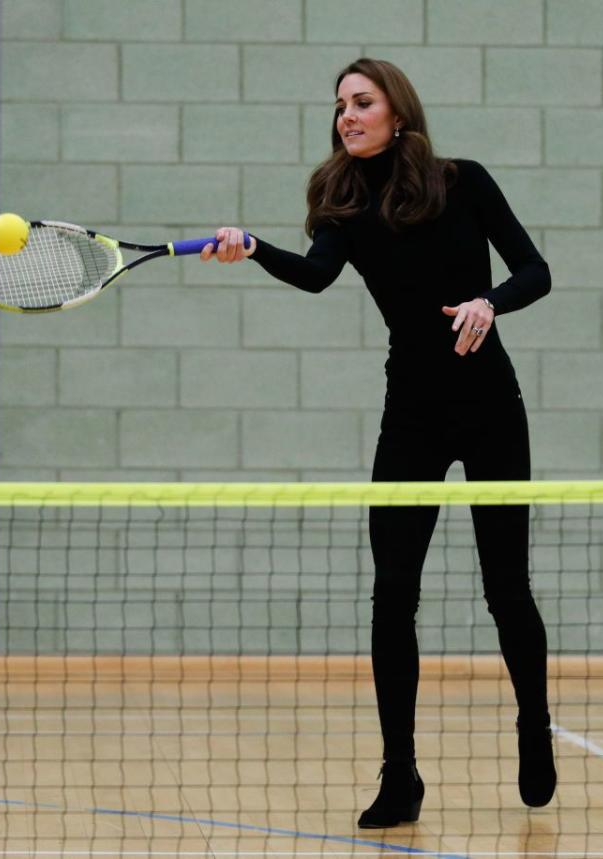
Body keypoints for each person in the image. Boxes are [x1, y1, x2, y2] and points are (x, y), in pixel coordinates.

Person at [201, 57, 556, 828]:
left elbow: (536, 271)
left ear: (399, 111)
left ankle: (534, 722)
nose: (347, 116)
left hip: (490, 402)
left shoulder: (465, 181)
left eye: (362, 102)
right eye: (339, 106)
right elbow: (316, 276)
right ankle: (401, 773)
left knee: (506, 590)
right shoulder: (341, 202)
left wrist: (489, 303)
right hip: (413, 415)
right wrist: (252, 247)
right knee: (392, 594)